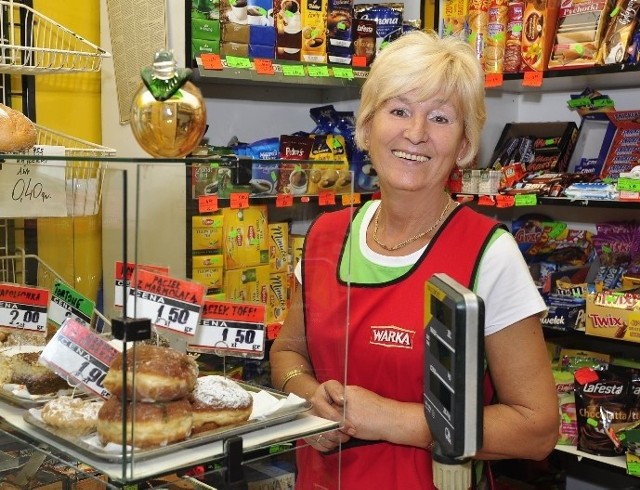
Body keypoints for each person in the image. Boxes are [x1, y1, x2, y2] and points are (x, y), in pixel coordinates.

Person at [270, 30, 559, 489]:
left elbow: (537, 428)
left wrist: (392, 419)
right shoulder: (326, 235)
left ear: (464, 145)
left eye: (441, 118)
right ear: (367, 126)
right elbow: (288, 352)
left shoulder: (488, 253)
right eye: (399, 110)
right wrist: (308, 398)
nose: (416, 133)